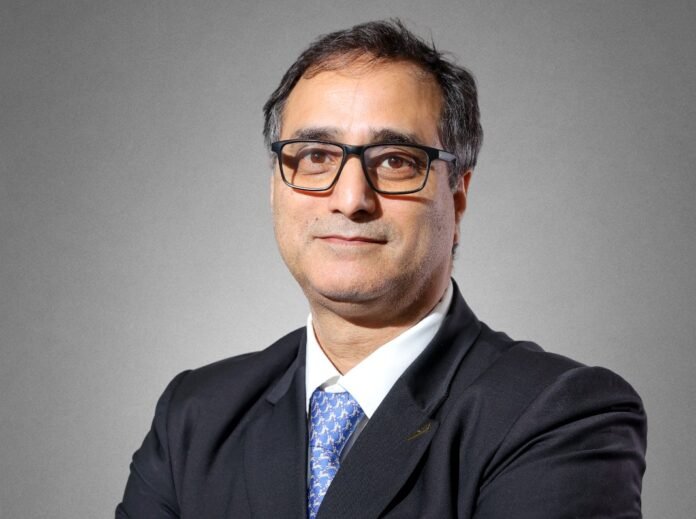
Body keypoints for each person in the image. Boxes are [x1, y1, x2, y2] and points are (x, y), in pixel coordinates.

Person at [116, 19, 646, 518]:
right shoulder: (195, 415)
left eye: (395, 160)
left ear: (458, 198)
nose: (350, 199)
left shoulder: (559, 416)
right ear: (275, 187)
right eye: (316, 156)